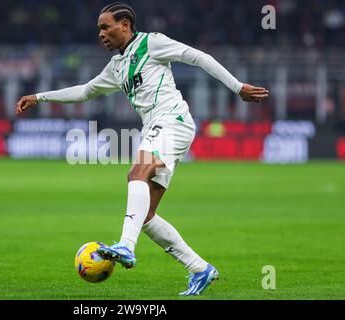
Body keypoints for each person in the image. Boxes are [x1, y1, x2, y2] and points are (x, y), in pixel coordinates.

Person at [15, 2, 269, 296]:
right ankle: (200, 269)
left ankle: (125, 245)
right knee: (145, 216)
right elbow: (85, 91)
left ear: (124, 25)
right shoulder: (116, 66)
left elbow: (198, 57)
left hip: (172, 120)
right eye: (99, 29)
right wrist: (39, 97)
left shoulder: (153, 43)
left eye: (105, 27)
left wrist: (237, 87)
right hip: (156, 128)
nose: (101, 34)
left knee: (136, 173)